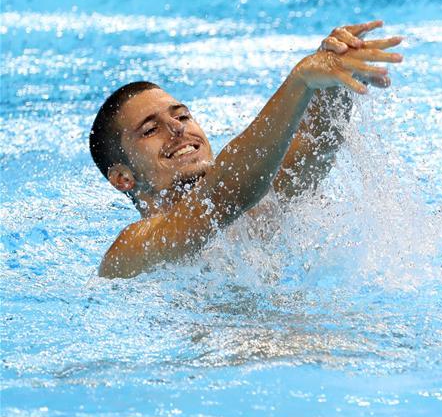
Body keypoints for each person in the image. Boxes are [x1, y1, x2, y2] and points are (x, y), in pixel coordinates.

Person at [89, 21, 402, 278]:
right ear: (122, 178)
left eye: (182, 115)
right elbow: (225, 195)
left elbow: (313, 147)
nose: (178, 129)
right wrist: (300, 81)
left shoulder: (260, 208)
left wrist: (338, 71)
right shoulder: (131, 250)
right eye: (150, 129)